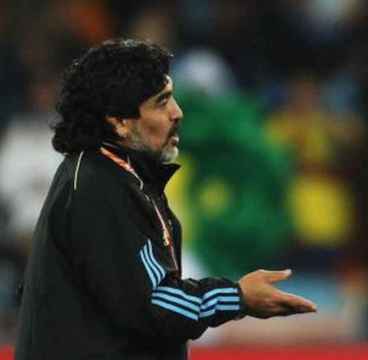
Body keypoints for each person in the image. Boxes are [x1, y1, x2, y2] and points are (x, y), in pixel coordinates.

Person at [14, 38, 317, 360]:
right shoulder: (100, 186)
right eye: (162, 102)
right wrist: (238, 296)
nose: (178, 112)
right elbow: (154, 303)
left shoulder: (109, 176)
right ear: (119, 121)